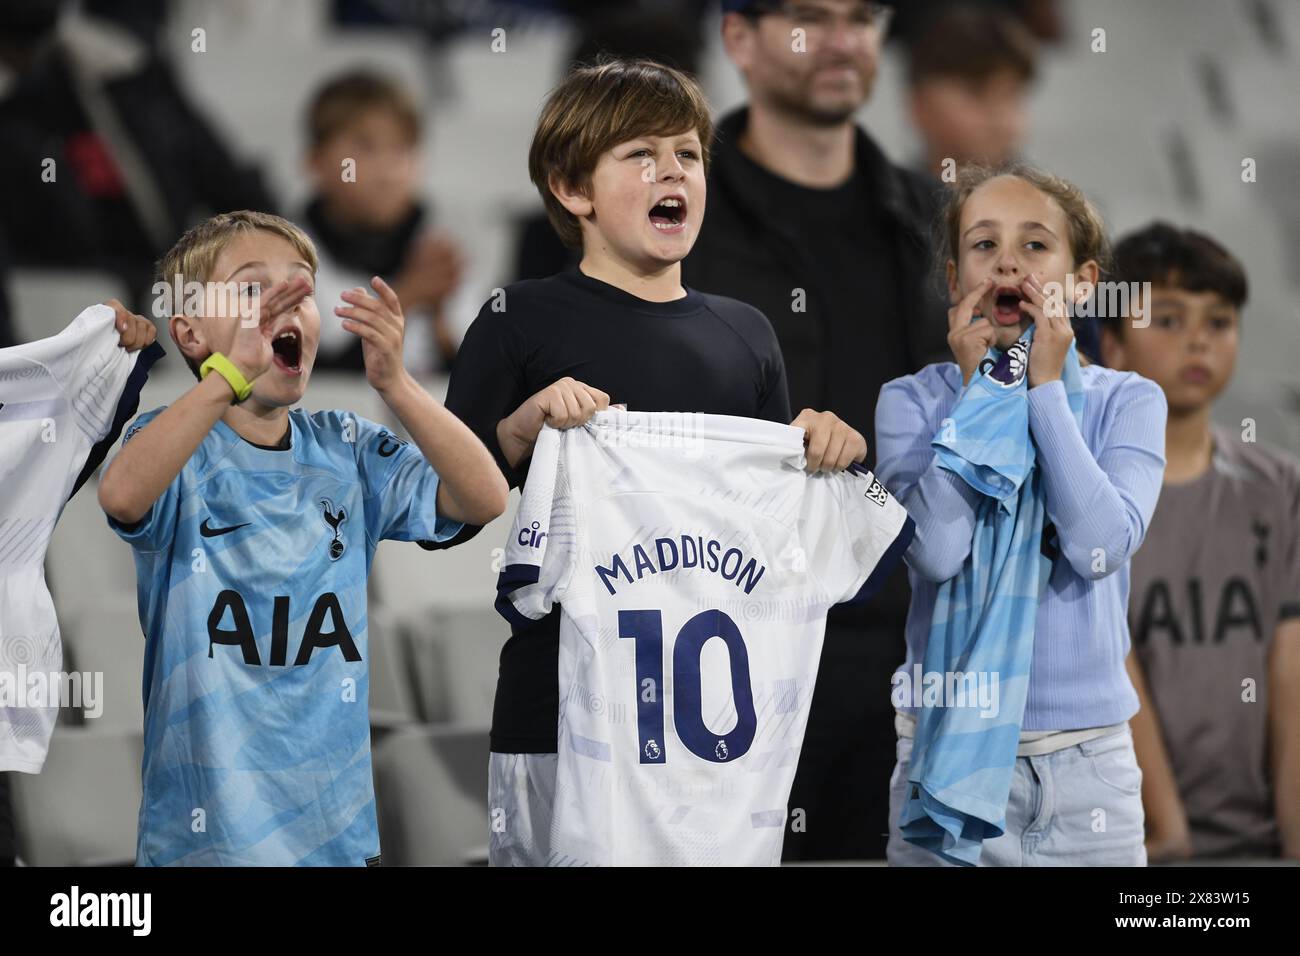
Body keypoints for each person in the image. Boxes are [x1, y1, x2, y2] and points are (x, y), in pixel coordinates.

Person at [430, 57, 870, 865]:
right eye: (641, 153)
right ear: (571, 188)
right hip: (557, 710)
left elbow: (771, 549)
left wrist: (821, 458)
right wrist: (525, 424)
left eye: (689, 155)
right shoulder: (515, 319)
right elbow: (443, 515)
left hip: (712, 730)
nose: (673, 170)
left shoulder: (748, 334)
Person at [96, 210, 507, 865]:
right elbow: (121, 494)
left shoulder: (347, 447)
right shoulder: (172, 443)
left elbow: (484, 496)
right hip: (204, 844)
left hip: (332, 841)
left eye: (301, 291)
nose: (284, 306)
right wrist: (228, 376)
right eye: (253, 290)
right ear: (192, 332)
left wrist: (396, 384)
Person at [683, 0, 949, 860]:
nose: (844, 41)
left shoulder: (935, 218)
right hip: (731, 642)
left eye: (864, 16)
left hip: (916, 644)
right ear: (738, 38)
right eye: (810, 17)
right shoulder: (672, 217)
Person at [875, 163, 1166, 865]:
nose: (1008, 261)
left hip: (1089, 772)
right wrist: (981, 397)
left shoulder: (1130, 401)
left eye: (1036, 245)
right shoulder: (910, 401)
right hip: (942, 748)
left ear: (1085, 283)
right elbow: (938, 552)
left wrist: (1042, 395)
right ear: (955, 283)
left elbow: (1097, 545)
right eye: (983, 245)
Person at [1101, 222, 1300, 861]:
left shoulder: (1277, 487)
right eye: (1168, 319)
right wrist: (1167, 838)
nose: (1198, 340)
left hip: (1258, 845)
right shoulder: (1088, 497)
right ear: (1113, 345)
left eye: (1218, 322)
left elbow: (1291, 685)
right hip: (1130, 847)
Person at [301, 70, 464, 375]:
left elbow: (475, 396)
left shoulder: (443, 253)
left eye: (402, 148)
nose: (388, 170)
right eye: (366, 147)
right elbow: (308, 385)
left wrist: (440, 321)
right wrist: (407, 296)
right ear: (315, 161)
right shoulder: (283, 258)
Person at [905, 4, 1038, 183]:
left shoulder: (1045, 206)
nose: (999, 114)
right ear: (920, 106)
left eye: (1012, 96)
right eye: (977, 92)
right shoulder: (887, 205)